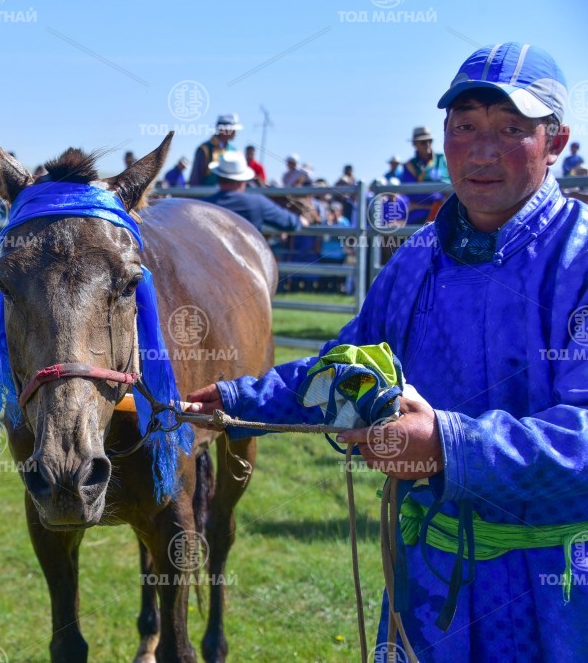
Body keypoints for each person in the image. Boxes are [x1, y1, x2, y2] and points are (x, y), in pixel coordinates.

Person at [187, 43, 587, 661]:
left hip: (554, 592)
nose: (483, 151)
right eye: (466, 127)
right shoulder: (418, 259)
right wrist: (238, 399)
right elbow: (350, 364)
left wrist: (449, 445)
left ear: (554, 142)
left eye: (512, 129)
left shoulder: (577, 263)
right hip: (427, 583)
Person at [202, 151, 304, 232]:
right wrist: (300, 221)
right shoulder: (257, 202)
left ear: (219, 178)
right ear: (242, 181)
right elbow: (289, 222)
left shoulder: (203, 205)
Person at [399, 126, 449, 224]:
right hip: (420, 215)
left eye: (430, 141)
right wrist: (437, 198)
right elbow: (413, 192)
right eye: (423, 142)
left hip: (446, 210)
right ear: (414, 144)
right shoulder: (409, 166)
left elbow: (452, 182)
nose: (427, 144)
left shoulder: (443, 159)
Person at [189, 113, 242, 187]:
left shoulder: (235, 151)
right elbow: (195, 180)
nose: (235, 132)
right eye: (233, 129)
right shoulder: (205, 150)